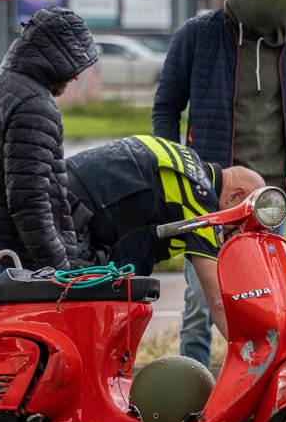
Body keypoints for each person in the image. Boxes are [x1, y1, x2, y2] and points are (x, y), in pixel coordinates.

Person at [152, 0, 286, 368]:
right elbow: (166, 106)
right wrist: (175, 172)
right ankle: (193, 386)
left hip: (272, 198)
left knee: (266, 300)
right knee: (200, 304)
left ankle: (259, 382)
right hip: (209, 193)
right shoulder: (199, 35)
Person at [0, 6, 98, 287]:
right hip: (15, 264)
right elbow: (30, 201)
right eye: (74, 65)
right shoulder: (34, 105)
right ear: (55, 58)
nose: (76, 76)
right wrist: (57, 270)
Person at [63, 135, 265, 336]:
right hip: (73, 216)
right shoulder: (201, 205)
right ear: (235, 196)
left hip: (63, 190)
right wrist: (251, 350)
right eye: (239, 224)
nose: (234, 233)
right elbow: (219, 302)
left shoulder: (187, 161)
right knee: (82, 322)